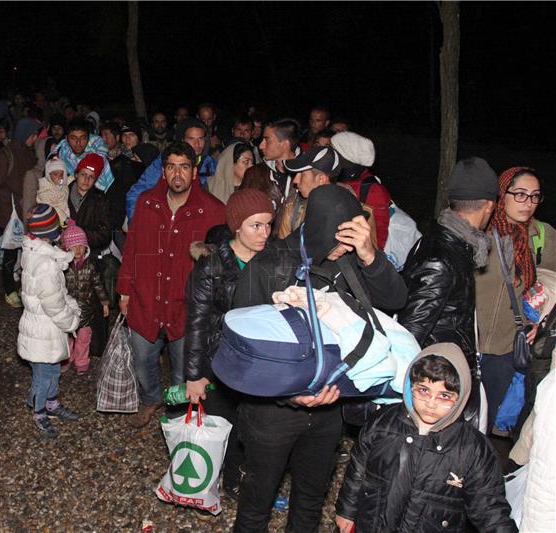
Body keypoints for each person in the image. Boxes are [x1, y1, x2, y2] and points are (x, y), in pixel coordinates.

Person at [231, 185, 407, 532]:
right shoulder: (268, 265)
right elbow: (242, 352)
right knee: (256, 505)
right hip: (273, 413)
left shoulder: (349, 263)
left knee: (310, 503)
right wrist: (290, 394)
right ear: (322, 227)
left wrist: (370, 254)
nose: (348, 248)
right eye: (343, 237)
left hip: (328, 410)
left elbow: (396, 298)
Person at [335, 344, 516, 533]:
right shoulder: (383, 423)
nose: (430, 403)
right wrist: (346, 511)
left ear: (460, 397)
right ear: (409, 386)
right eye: (423, 390)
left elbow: (490, 507)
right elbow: (358, 469)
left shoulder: (473, 448)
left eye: (444, 396)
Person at [117, 142, 226, 428]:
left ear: (194, 172)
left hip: (186, 308)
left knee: (183, 370)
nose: (178, 174)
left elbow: (221, 264)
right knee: (142, 362)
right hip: (146, 300)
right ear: (163, 171)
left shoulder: (213, 210)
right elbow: (132, 248)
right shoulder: (146, 203)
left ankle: (178, 414)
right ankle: (151, 398)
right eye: (171, 166)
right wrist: (125, 289)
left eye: (184, 167)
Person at [184, 189, 275, 499]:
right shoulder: (213, 263)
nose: (265, 233)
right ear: (237, 225)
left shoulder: (273, 260)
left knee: (255, 430)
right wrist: (195, 375)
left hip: (260, 363)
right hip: (220, 362)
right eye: (256, 226)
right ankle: (212, 477)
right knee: (224, 425)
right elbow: (197, 320)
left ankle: (240, 482)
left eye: (268, 225)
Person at [399, 157, 498, 375]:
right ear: (490, 205)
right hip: (437, 378)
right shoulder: (442, 259)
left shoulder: (453, 243)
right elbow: (409, 334)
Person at [476, 167, 555, 430]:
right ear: (502, 194)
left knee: (485, 421)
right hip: (469, 337)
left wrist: (540, 322)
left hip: (507, 346)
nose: (528, 203)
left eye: (534, 196)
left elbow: (550, 284)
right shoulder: (480, 229)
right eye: (520, 194)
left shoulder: (542, 236)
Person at [17, 204, 81, 439]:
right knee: (44, 374)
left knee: (52, 369)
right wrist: (72, 320)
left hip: (42, 330)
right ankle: (39, 411)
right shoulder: (45, 265)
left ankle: (49, 403)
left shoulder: (36, 252)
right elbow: (53, 303)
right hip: (44, 330)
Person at [0, 117, 41, 307]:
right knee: (10, 252)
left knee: (25, 250)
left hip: (26, 210)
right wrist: (14, 194)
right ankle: (9, 289)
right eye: (33, 135)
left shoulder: (28, 154)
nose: (34, 139)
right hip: (10, 212)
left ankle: (21, 285)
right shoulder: (5, 155)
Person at [125, 118, 217, 224]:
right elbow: (135, 193)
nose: (197, 143)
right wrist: (138, 224)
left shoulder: (210, 164)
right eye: (191, 138)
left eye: (200, 138)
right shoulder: (166, 161)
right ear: (182, 140)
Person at [61, 220, 110, 374]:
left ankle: (81, 361)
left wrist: (104, 302)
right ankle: (66, 359)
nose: (78, 249)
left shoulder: (90, 265)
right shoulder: (62, 267)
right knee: (66, 337)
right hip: (67, 309)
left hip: (86, 310)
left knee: (84, 337)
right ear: (66, 247)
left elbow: (98, 284)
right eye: (74, 246)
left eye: (81, 246)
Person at [332, 131, 392, 250]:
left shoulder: (372, 190)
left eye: (334, 151)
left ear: (346, 157)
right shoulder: (334, 179)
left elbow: (377, 239)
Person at [48, 119, 114, 192]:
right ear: (66, 138)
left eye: (83, 138)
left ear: (89, 138)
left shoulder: (98, 148)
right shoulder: (62, 152)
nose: (78, 143)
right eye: (73, 138)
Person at [36, 158, 72, 224]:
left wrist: (74, 176)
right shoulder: (44, 189)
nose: (59, 177)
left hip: (64, 215)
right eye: (55, 174)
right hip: (52, 219)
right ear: (48, 174)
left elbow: (65, 182)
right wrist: (65, 219)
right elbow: (51, 208)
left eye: (61, 174)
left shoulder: (59, 181)